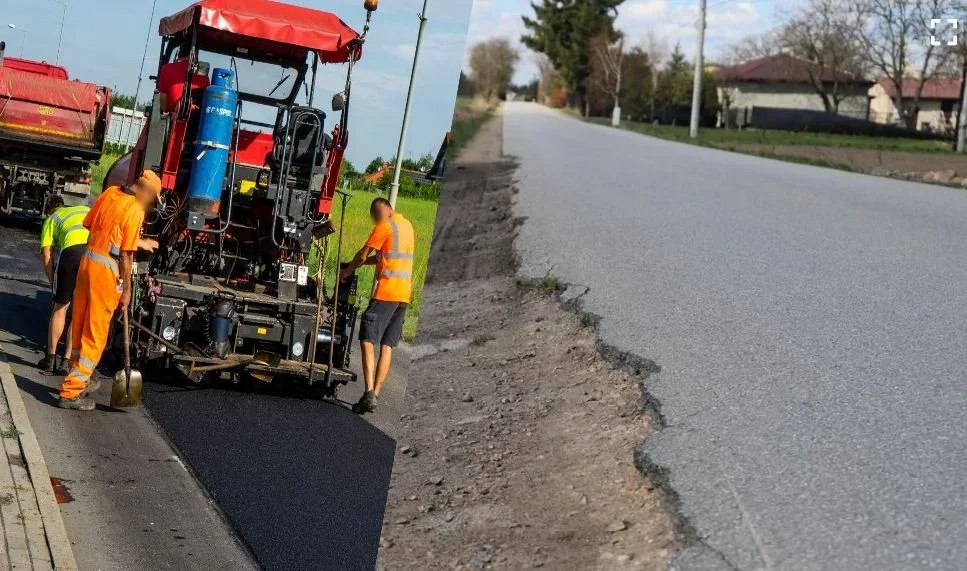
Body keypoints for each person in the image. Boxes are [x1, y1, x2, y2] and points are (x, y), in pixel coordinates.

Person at [58, 171, 161, 411]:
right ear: (145, 191)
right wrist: (126, 289)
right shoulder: (136, 209)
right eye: (152, 199)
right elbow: (125, 254)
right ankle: (71, 392)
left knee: (82, 325)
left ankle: (78, 377)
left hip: (87, 263)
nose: (150, 204)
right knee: (96, 334)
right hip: (106, 271)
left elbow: (89, 224)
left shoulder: (109, 194)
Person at [339, 198, 415, 414]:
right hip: (403, 295)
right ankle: (375, 395)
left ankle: (369, 392)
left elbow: (364, 255)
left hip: (386, 292)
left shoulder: (385, 225)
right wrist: (362, 265)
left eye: (375, 216)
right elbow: (384, 258)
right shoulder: (407, 226)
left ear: (380, 211)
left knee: (366, 338)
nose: (375, 220)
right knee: (387, 345)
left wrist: (347, 271)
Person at [38, 196, 90, 374]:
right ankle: (65, 362)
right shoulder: (84, 209)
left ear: (49, 211)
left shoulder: (52, 219)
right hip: (93, 255)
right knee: (77, 311)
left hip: (73, 254)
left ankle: (50, 359)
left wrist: (54, 282)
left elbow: (47, 255)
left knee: (60, 308)